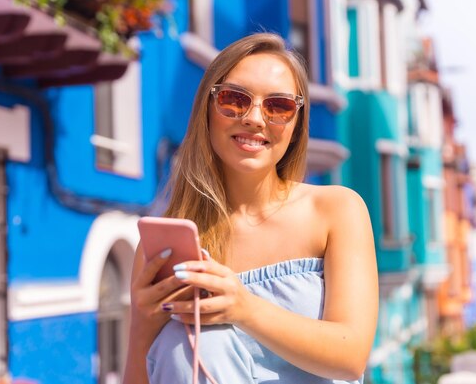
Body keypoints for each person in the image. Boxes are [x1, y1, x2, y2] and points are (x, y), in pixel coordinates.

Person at [123, 32, 378, 384]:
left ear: (296, 123)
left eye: (278, 106)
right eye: (234, 99)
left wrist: (243, 308)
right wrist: (142, 326)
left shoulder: (335, 210)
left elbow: (351, 357)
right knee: (184, 343)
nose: (255, 119)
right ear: (207, 110)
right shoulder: (169, 245)